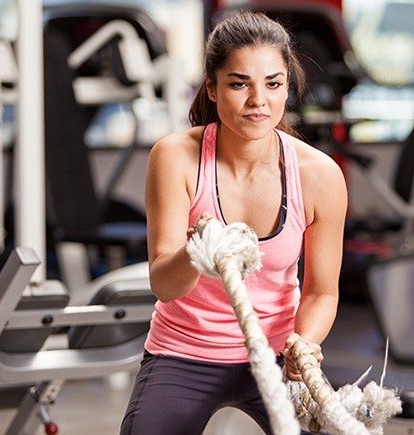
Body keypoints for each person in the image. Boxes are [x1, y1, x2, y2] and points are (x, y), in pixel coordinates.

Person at [120, 11, 347, 435]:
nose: (259, 101)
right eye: (239, 83)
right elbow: (165, 285)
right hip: (183, 353)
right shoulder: (175, 158)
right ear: (212, 86)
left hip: (277, 353)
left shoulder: (319, 175)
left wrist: (306, 342)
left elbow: (321, 291)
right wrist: (198, 252)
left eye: (273, 84)